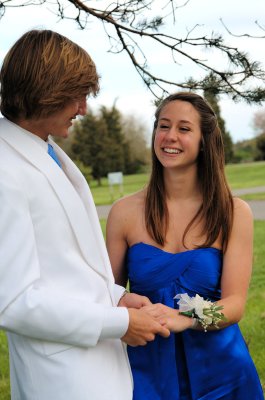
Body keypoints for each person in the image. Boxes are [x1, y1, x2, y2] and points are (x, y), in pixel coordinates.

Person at [0, 29, 170, 400]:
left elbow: (65, 267)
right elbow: (14, 303)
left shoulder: (46, 150)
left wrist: (116, 297)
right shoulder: (4, 169)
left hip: (100, 372)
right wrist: (118, 322)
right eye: (76, 96)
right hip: (61, 381)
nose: (84, 108)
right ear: (47, 91)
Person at [106, 92, 264, 399]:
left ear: (204, 140)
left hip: (223, 374)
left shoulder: (234, 212)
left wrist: (188, 319)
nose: (170, 137)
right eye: (163, 126)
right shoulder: (124, 212)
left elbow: (234, 305)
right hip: (146, 372)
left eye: (184, 128)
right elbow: (105, 294)